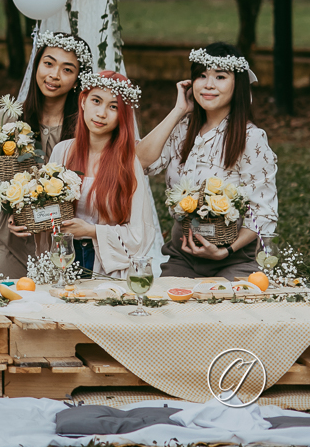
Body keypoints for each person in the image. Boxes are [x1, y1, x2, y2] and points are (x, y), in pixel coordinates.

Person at [138, 43, 278, 279]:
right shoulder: (182, 128)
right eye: (201, 76)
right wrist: (178, 110)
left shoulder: (251, 137)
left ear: (237, 84)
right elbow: (141, 162)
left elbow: (263, 213)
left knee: (226, 312)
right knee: (168, 310)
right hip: (182, 254)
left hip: (233, 258)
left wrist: (226, 251)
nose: (208, 85)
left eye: (220, 77)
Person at [0, 31, 92, 280]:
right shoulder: (4, 121)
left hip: (65, 249)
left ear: (77, 79)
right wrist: (10, 207)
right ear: (36, 66)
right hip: (13, 243)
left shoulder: (86, 129)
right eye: (48, 63)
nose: (54, 75)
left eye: (67, 69)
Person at [35, 71, 158, 278]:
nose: (101, 113)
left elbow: (140, 235)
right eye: (96, 101)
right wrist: (25, 215)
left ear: (123, 116)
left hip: (104, 265)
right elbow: (48, 210)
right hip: (64, 256)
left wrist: (91, 231)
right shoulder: (62, 152)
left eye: (113, 107)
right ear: (83, 102)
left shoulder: (128, 163)